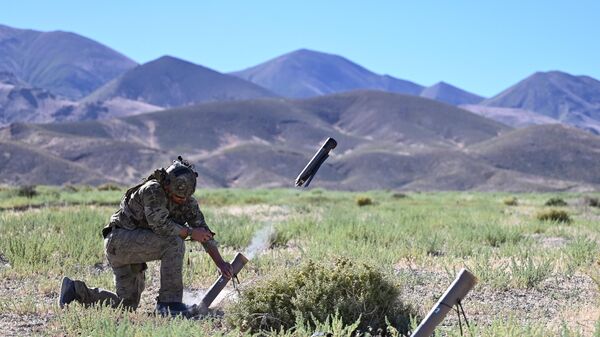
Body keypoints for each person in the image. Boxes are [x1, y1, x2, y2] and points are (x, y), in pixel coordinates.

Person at [58, 157, 233, 316]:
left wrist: (221, 263)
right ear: (167, 185)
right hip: (119, 242)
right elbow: (160, 225)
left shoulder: (187, 202)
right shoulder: (153, 190)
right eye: (176, 196)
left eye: (184, 197)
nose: (181, 200)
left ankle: (75, 290)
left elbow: (203, 231)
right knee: (174, 242)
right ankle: (168, 304)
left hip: (134, 250)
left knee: (126, 306)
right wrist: (189, 232)